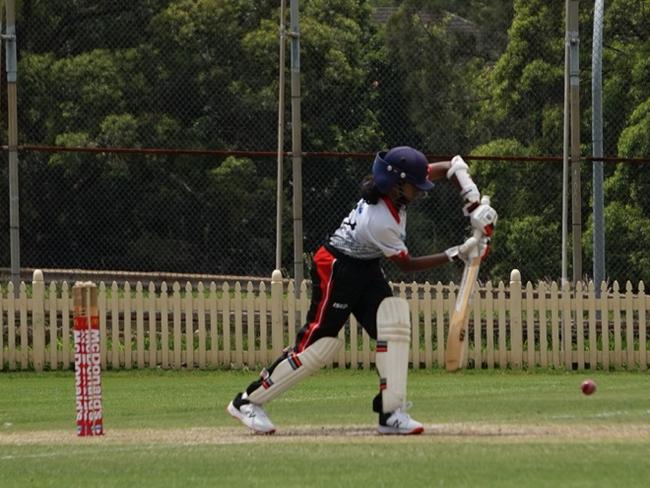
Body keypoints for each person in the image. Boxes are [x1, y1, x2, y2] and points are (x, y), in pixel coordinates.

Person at [227, 146, 496, 435]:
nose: (420, 191)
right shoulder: (380, 220)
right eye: (415, 187)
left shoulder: (397, 187)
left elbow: (452, 166)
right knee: (317, 345)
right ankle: (248, 401)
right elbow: (405, 264)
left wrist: (472, 200)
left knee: (392, 329)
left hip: (365, 266)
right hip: (336, 267)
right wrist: (456, 253)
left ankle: (391, 415)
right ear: (397, 186)